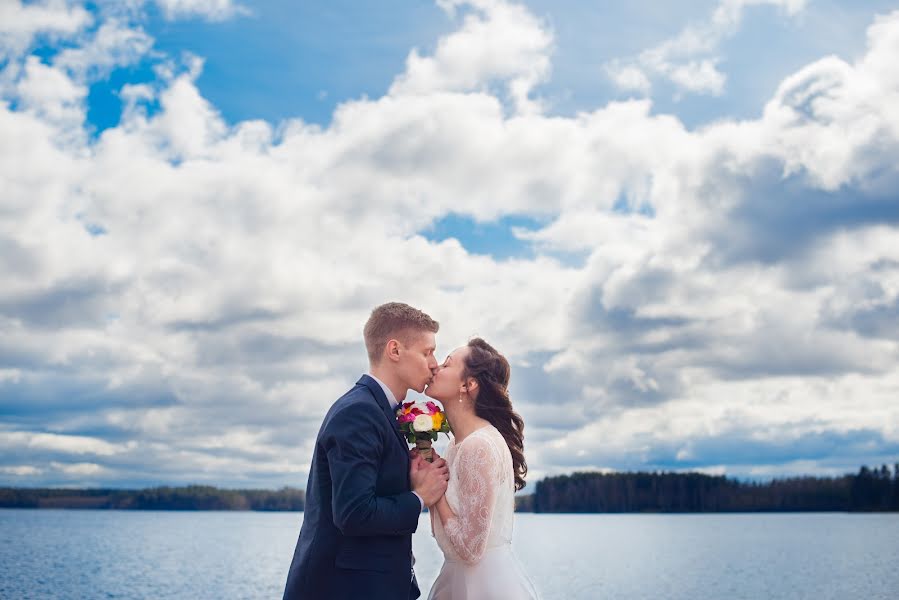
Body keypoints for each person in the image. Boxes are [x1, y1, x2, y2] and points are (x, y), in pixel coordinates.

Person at [282, 302, 450, 600]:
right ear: (394, 350)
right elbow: (354, 513)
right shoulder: (358, 413)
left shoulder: (380, 410)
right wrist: (419, 497)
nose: (434, 363)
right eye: (427, 352)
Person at [423, 337, 538, 599]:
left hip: (481, 587)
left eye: (447, 364)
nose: (435, 368)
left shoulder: (479, 446)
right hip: (458, 579)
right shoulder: (456, 445)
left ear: (468, 384)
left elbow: (471, 548)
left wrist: (435, 491)